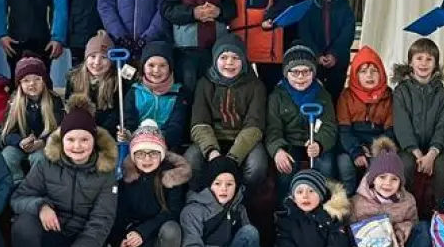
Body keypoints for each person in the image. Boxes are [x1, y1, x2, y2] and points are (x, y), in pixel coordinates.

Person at [9, 98, 119, 247]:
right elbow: (18, 198)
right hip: (51, 232)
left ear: (94, 141)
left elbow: (101, 221)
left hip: (81, 235)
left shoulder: (106, 173)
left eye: (84, 139)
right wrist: (41, 206)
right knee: (23, 225)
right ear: (62, 140)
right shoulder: (45, 163)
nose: (77, 146)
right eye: (71, 139)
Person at [109, 120, 191, 247]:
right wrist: (121, 241)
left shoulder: (171, 176)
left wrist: (143, 232)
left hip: (160, 233)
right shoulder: (126, 178)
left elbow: (172, 211)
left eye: (153, 153)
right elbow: (119, 216)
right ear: (133, 156)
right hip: (138, 236)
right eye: (140, 154)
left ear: (161, 155)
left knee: (171, 230)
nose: (146, 159)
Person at [186, 36, 269, 188]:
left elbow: (254, 125)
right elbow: (199, 122)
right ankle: (202, 196)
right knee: (190, 161)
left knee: (257, 166)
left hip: (244, 140)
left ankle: (242, 196)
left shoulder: (256, 86)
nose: (229, 63)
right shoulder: (204, 83)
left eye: (235, 58)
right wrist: (212, 153)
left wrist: (233, 157)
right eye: (223, 57)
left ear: (243, 61)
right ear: (215, 59)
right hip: (212, 138)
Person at [349, 146, 428, 247]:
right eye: (382, 177)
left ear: (400, 182)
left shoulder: (408, 199)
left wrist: (399, 230)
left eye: (394, 179)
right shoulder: (357, 202)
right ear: (373, 179)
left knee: (424, 229)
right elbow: (349, 233)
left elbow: (413, 222)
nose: (387, 183)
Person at [266, 44, 343, 193]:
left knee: (326, 166)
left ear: (313, 73)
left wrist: (320, 143)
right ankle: (285, 203)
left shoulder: (323, 95)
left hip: (315, 143)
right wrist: (277, 150)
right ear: (286, 73)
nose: (300, 77)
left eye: (306, 71)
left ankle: (324, 202)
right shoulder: (277, 96)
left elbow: (329, 127)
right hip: (289, 143)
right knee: (285, 170)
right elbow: (272, 128)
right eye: (295, 72)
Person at [392, 38, 444, 209]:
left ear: (436, 64)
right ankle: (402, 210)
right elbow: (402, 125)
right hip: (409, 149)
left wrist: (432, 154)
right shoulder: (401, 92)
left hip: (437, 149)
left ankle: (443, 213)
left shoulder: (443, 94)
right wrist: (417, 153)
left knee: (443, 167)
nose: (424, 63)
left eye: (429, 59)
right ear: (410, 62)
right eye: (419, 58)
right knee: (404, 165)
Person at [336, 45, 395, 194]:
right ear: (355, 75)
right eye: (363, 71)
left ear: (381, 73)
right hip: (351, 145)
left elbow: (390, 130)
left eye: (374, 71)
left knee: (378, 168)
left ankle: (373, 201)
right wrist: (356, 151)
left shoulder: (389, 96)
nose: (369, 75)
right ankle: (348, 201)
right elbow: (344, 130)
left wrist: (377, 150)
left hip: (378, 146)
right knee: (344, 164)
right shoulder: (346, 97)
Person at [294, 0, 355, 99]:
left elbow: (347, 33)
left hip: (338, 59)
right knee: (313, 94)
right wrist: (316, 55)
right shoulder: (308, 5)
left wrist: (334, 54)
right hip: (313, 59)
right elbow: (304, 32)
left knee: (335, 94)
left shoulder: (344, 6)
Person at [0, 55, 63, 185]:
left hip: (44, 144)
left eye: (37, 79)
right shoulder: (13, 102)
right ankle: (17, 183)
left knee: (39, 157)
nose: (32, 84)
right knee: (7, 155)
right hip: (21, 144)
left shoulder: (54, 101)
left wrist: (43, 142)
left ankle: (36, 184)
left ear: (44, 81)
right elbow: (6, 132)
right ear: (20, 84)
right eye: (26, 80)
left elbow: (59, 129)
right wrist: (20, 142)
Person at [126, 42, 190, 151]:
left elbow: (176, 126)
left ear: (170, 68)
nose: (156, 70)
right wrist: (128, 134)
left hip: (167, 146)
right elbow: (129, 121)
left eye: (162, 65)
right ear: (143, 67)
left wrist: (158, 143)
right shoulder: (134, 92)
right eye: (151, 65)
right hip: (137, 144)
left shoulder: (179, 93)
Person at [64, 31, 122, 134]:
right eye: (93, 56)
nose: (97, 62)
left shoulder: (117, 82)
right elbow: (70, 110)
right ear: (86, 58)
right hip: (81, 131)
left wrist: (100, 133)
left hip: (106, 133)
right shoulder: (74, 79)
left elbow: (116, 114)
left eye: (104, 57)